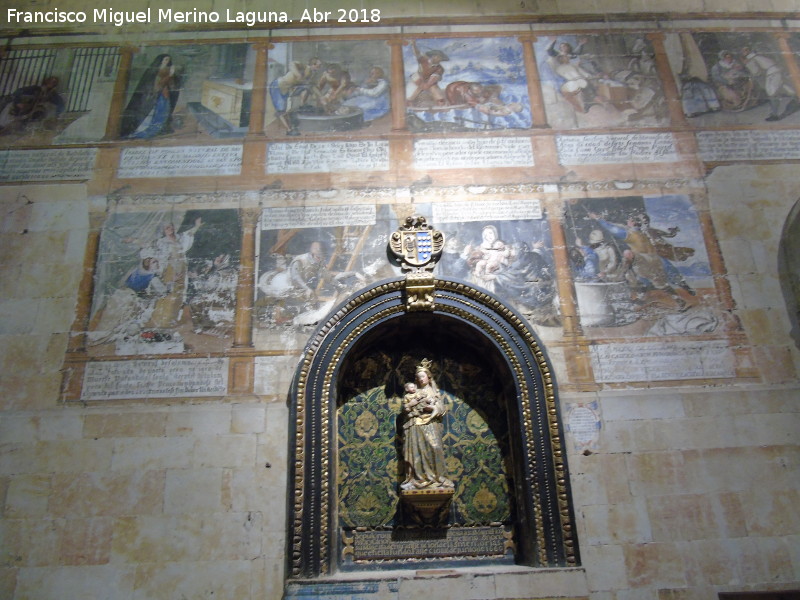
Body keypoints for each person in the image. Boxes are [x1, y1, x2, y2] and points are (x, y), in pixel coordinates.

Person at [400, 359, 453, 491]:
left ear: (428, 377)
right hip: (415, 425)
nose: (421, 379)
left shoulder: (434, 391)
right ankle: (419, 479)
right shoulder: (413, 392)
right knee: (416, 452)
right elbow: (406, 409)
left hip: (431, 423)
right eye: (418, 377)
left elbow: (441, 408)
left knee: (435, 448)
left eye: (423, 376)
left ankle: (438, 478)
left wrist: (432, 409)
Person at [121, 54, 181, 138]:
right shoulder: (153, 71)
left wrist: (173, 77)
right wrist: (170, 75)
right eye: (165, 59)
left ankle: (159, 129)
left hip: (165, 95)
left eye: (168, 60)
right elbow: (157, 86)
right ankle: (147, 130)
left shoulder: (168, 70)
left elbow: (173, 86)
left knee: (163, 112)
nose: (167, 61)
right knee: (152, 114)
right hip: (152, 98)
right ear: (160, 60)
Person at [739, 45, 797, 121]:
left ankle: (774, 115)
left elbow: (756, 72)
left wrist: (747, 70)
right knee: (783, 86)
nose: (743, 53)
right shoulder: (757, 56)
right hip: (777, 70)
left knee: (771, 94)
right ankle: (797, 98)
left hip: (772, 73)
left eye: (744, 51)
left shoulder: (751, 59)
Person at [269, 58, 323, 135]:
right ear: (313, 64)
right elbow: (292, 64)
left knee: (306, 90)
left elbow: (313, 86)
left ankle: (302, 105)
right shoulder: (304, 67)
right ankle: (289, 130)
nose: (320, 67)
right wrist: (297, 74)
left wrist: (321, 97)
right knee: (281, 111)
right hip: (278, 86)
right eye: (319, 65)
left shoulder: (312, 74)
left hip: (288, 90)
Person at [0, 76, 65, 133]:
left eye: (54, 82)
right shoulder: (35, 89)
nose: (51, 83)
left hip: (36, 111)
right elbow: (18, 92)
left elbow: (61, 105)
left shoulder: (53, 95)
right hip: (25, 107)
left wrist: (57, 114)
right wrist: (18, 102)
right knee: (9, 107)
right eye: (50, 81)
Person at [407, 40, 449, 107]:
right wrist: (413, 45)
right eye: (437, 57)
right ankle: (409, 101)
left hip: (430, 83)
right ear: (433, 56)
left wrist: (425, 85)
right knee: (411, 90)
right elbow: (417, 54)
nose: (439, 59)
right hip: (418, 78)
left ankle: (441, 106)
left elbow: (433, 78)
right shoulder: (424, 60)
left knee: (439, 96)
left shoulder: (440, 69)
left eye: (440, 58)